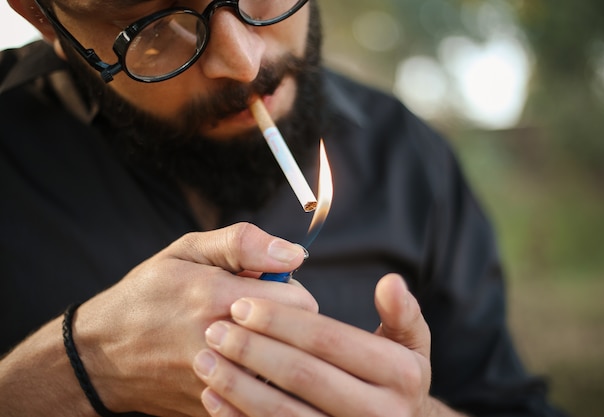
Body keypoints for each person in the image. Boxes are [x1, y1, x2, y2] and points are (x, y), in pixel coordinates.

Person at [0, 0, 568, 416]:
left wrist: (418, 413)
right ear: (42, 18)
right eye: (152, 24)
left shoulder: (408, 155)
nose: (242, 62)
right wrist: (82, 366)